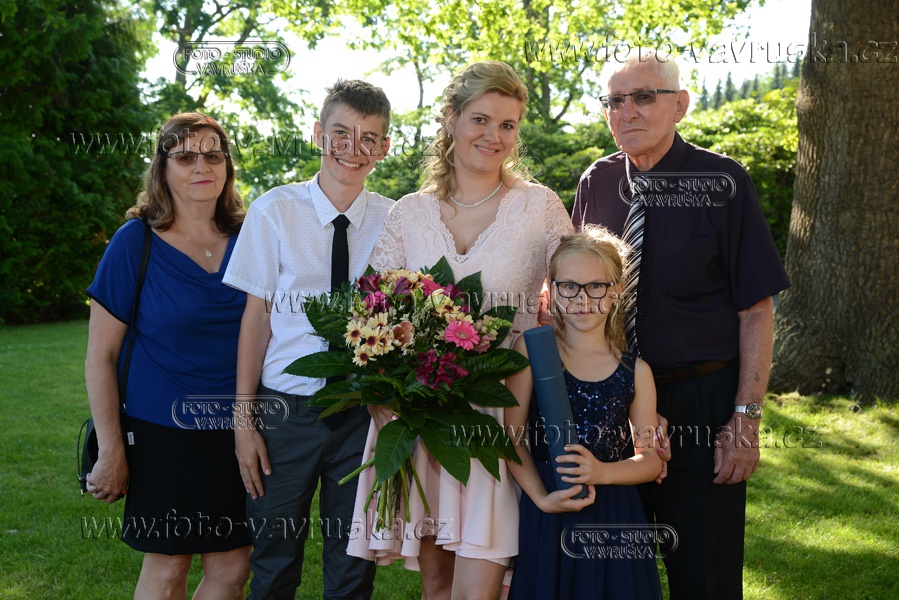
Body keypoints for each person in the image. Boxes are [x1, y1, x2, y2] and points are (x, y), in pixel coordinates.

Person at [346, 60, 574, 600]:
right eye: (480, 119)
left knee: (489, 581)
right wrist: (379, 394)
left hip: (503, 412)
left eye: (508, 125)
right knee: (437, 582)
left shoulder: (539, 207)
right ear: (450, 118)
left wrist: (621, 386)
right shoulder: (410, 213)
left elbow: (578, 297)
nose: (494, 136)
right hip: (422, 415)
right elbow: (370, 310)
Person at [572, 50, 791, 599]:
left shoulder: (723, 181)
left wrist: (745, 419)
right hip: (612, 403)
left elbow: (756, 310)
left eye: (644, 97)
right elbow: (574, 298)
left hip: (702, 405)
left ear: (680, 105)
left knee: (703, 575)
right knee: (611, 574)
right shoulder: (597, 182)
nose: (627, 111)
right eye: (615, 101)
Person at [223, 79, 393, 600]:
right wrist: (244, 421)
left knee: (353, 565)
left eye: (369, 138)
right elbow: (256, 319)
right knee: (273, 560)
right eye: (341, 133)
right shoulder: (274, 211)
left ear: (385, 147)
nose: (353, 148)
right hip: (285, 412)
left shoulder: (394, 219)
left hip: (360, 414)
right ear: (318, 134)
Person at [84, 112, 251, 599]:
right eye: (185, 157)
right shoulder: (134, 242)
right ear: (163, 169)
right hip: (162, 432)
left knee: (233, 567)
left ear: (227, 167)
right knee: (168, 566)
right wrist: (112, 449)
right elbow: (100, 358)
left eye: (213, 155)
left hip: (239, 430)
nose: (201, 167)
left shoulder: (252, 238)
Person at [504, 226, 664, 599]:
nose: (582, 298)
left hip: (614, 511)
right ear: (552, 289)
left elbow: (651, 459)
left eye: (596, 286)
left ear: (616, 290)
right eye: (569, 286)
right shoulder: (532, 352)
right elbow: (511, 440)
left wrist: (602, 472)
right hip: (550, 506)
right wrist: (542, 498)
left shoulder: (635, 371)